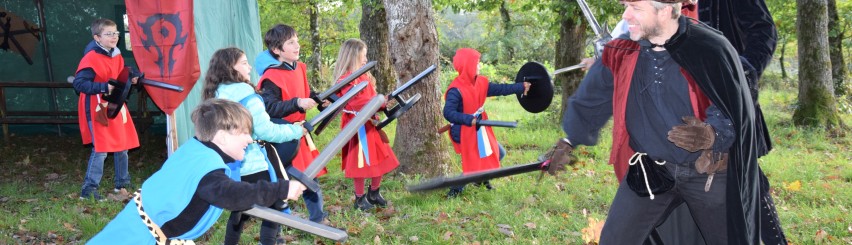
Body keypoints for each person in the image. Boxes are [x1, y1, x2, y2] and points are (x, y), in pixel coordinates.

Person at [550, 0, 761, 243]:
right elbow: (592, 100)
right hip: (651, 171)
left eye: (636, 8)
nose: (626, 15)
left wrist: (713, 134)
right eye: (626, 5)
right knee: (615, 240)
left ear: (665, 10)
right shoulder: (621, 52)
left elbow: (735, 101)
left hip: (707, 172)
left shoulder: (709, 47)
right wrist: (569, 140)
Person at [87, 99, 307, 244]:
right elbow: (232, 195)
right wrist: (281, 188)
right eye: (245, 133)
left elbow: (235, 187)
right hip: (139, 237)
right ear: (222, 137)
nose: (250, 139)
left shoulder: (198, 149)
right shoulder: (207, 169)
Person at [200, 47, 305, 245]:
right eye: (244, 63)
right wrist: (297, 131)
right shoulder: (246, 94)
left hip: (230, 165)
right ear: (231, 67)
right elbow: (265, 131)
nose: (249, 67)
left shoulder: (216, 94)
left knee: (240, 207)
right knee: (274, 208)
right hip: (253, 163)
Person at [255, 24, 330, 223]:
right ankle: (276, 222)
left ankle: (317, 217)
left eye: (296, 40)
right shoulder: (270, 77)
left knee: (309, 175)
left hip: (301, 132)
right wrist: (297, 103)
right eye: (290, 43)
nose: (297, 45)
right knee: (282, 180)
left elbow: (305, 93)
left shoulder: (300, 68)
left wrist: (319, 99)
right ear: (277, 50)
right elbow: (269, 109)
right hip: (284, 137)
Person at [442, 48, 530, 198]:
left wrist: (521, 87)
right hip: (463, 130)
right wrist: (469, 119)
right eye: (476, 63)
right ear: (468, 65)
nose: (479, 66)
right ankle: (455, 190)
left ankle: (481, 181)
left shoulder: (480, 82)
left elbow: (500, 89)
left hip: (480, 126)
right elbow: (448, 113)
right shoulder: (455, 90)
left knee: (497, 153)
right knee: (475, 162)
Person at [73, 18, 140, 201]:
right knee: (101, 148)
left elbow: (121, 74)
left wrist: (131, 77)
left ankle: (122, 184)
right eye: (108, 34)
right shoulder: (90, 58)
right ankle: (88, 190)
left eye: (116, 33)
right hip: (97, 108)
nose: (114, 37)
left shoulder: (115, 54)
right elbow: (79, 84)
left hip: (115, 105)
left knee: (122, 145)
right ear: (97, 37)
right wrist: (103, 87)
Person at [332, 38, 400, 210]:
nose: (365, 59)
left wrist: (383, 102)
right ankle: (359, 198)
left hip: (370, 123)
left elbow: (370, 97)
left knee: (380, 157)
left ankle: (374, 192)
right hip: (356, 126)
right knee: (360, 162)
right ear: (352, 56)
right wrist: (379, 101)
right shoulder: (345, 80)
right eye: (363, 55)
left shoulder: (364, 76)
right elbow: (356, 102)